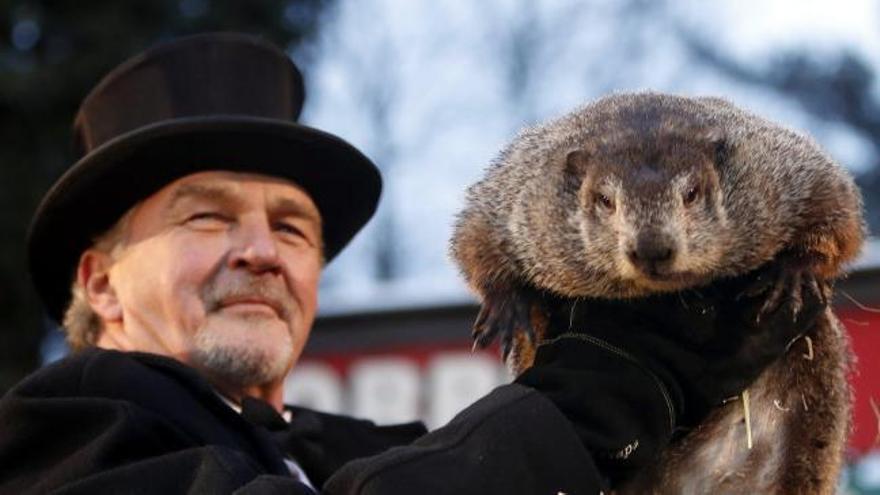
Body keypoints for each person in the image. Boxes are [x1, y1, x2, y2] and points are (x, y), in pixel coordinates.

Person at [0, 33, 823, 494]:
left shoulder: (358, 447)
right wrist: (608, 390)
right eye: (207, 216)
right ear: (99, 281)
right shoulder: (67, 436)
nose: (259, 251)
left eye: (292, 228)